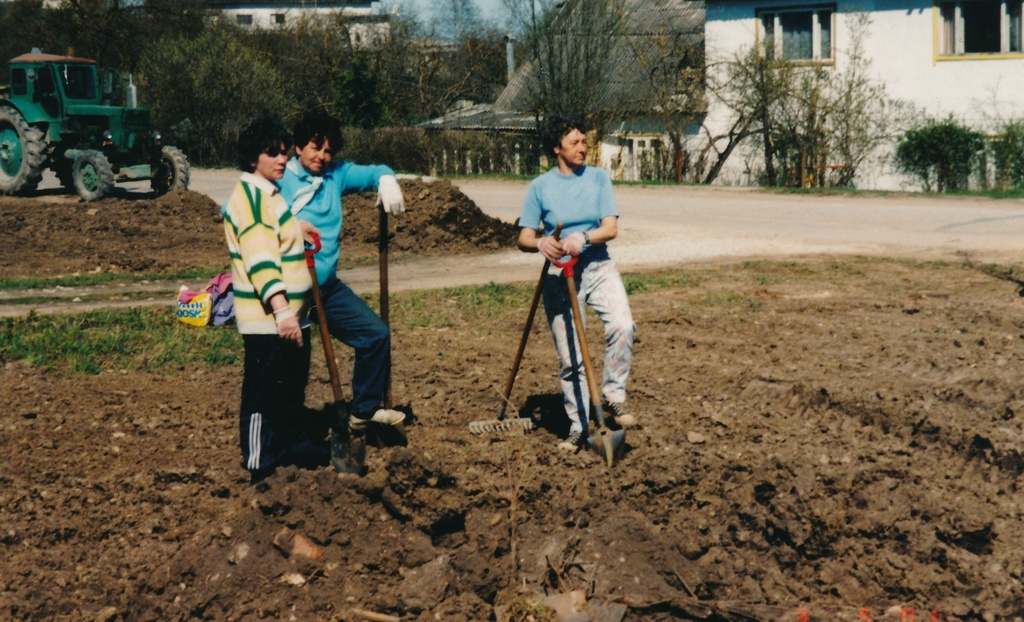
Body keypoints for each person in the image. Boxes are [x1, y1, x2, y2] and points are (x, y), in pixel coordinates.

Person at [277, 111, 406, 433]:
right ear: (297, 147)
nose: (322, 156)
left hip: (327, 289)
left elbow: (376, 171)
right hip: (288, 291)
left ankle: (362, 410)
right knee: (294, 365)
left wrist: (386, 179)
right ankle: (287, 429)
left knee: (375, 335)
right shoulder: (280, 177)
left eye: (329, 150)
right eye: (315, 147)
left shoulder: (336, 174)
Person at [517, 114, 637, 450]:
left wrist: (582, 237)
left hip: (598, 267)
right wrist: (541, 242)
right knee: (572, 357)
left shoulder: (598, 179)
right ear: (557, 148)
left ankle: (612, 398)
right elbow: (524, 236)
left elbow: (609, 228)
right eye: (575, 143)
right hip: (559, 277)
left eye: (585, 142)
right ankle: (578, 425)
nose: (583, 148)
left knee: (623, 326)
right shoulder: (540, 187)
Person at [222, 112, 321, 484]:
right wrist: (282, 312)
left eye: (283, 153)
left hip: (288, 318)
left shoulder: (267, 194)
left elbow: (272, 233)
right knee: (263, 394)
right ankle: (260, 465)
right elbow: (261, 260)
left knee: (288, 390)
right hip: (269, 322)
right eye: (272, 153)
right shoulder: (250, 198)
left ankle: (284, 451)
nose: (282, 160)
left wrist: (296, 228)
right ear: (252, 159)